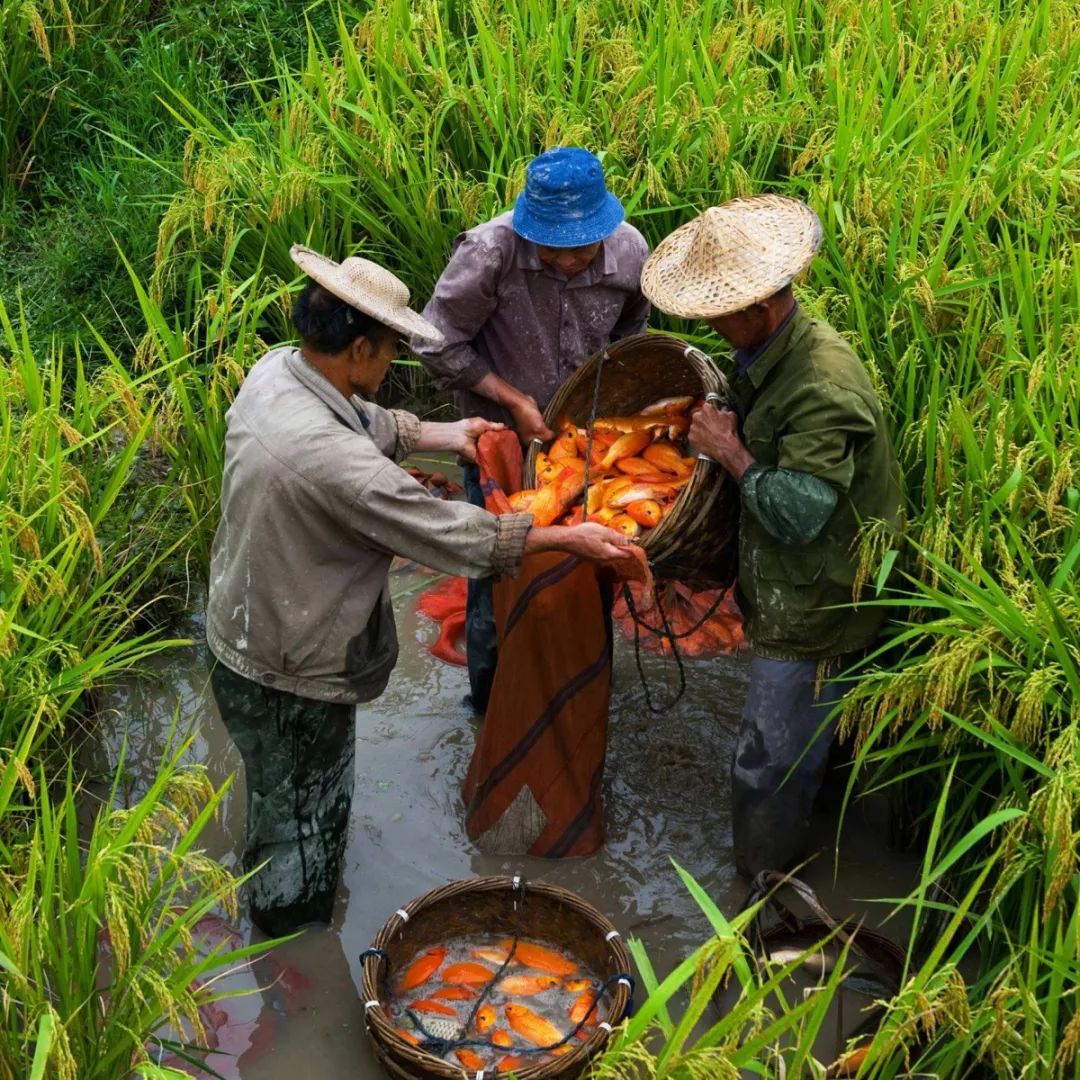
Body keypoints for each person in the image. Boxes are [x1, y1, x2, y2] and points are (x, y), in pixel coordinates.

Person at [206, 245, 632, 936]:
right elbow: (451, 535)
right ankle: (294, 954)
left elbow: (364, 422)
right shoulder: (340, 467)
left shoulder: (278, 374)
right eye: (390, 351)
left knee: (277, 795)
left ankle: (277, 893)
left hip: (242, 628)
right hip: (290, 669)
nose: (393, 364)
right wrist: (568, 541)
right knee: (305, 824)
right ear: (360, 350)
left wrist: (450, 433)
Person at [640, 195, 903, 876]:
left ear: (760, 305)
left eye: (716, 314)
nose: (709, 324)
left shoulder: (820, 383)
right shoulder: (768, 352)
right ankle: (812, 831)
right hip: (792, 582)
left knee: (769, 759)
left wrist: (730, 453)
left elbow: (801, 513)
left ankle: (761, 890)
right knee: (818, 740)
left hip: (818, 602)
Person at [413, 146, 650, 713]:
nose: (568, 261)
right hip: (496, 441)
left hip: (583, 443)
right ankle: (492, 702)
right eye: (553, 247)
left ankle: (581, 690)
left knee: (593, 560)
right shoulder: (490, 252)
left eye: (581, 248)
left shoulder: (629, 251)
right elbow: (433, 341)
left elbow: (629, 339)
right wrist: (513, 399)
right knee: (494, 568)